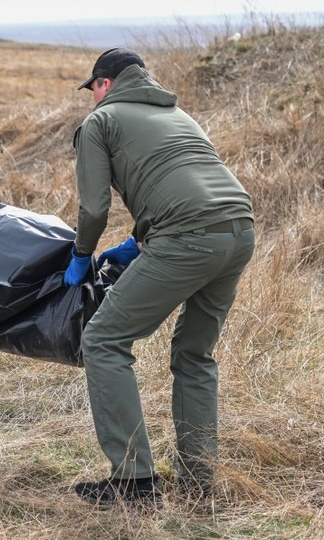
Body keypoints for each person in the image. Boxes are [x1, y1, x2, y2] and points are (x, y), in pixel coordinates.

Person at [63, 47, 255, 509]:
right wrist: (137, 242)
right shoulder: (179, 115)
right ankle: (199, 479)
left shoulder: (100, 121)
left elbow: (93, 209)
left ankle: (135, 484)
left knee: (104, 340)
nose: (92, 98)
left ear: (104, 84)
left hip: (187, 238)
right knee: (194, 353)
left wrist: (81, 255)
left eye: (93, 89)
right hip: (239, 230)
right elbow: (182, 180)